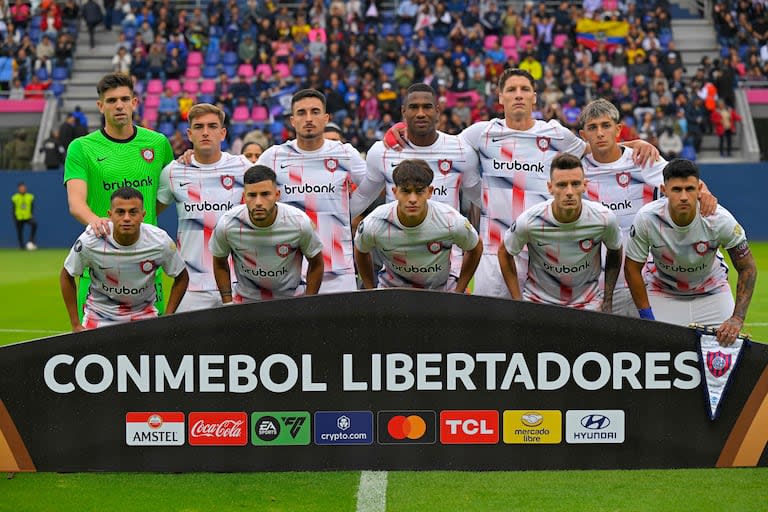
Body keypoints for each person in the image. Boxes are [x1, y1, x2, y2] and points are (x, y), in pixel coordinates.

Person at [384, 69, 657, 299]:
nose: (518, 94)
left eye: (525, 89)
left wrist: (635, 144)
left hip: (543, 250)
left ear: (534, 97)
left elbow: (599, 148)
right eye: (511, 89)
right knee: (493, 326)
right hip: (494, 249)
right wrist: (400, 128)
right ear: (500, 97)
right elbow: (438, 144)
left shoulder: (555, 133)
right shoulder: (481, 133)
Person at [579, 99, 718, 316]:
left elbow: (682, 179)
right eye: (592, 127)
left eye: (606, 126)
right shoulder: (577, 169)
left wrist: (705, 192)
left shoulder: (642, 160)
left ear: (618, 130)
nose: (600, 133)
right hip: (598, 284)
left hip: (645, 281)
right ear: (583, 135)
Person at [64, 72, 174, 318]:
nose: (119, 105)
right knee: (90, 347)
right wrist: (97, 221)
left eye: (125, 99)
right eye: (112, 100)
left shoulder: (158, 143)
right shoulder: (81, 148)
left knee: (153, 349)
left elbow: (166, 195)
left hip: (147, 264)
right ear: (100, 106)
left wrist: (144, 220)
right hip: (100, 262)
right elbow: (76, 202)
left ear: (135, 102)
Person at [625, 159, 757, 346]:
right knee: (654, 349)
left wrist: (737, 318)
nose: (684, 196)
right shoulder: (647, 218)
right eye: (677, 190)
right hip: (662, 290)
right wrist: (647, 317)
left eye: (690, 189)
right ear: (664, 190)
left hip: (712, 291)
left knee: (726, 351)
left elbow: (748, 268)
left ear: (699, 189)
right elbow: (632, 268)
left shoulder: (719, 219)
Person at [257, 89, 366, 293]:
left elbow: (373, 185)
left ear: (325, 118)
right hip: (288, 270)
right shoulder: (273, 156)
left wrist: (350, 209)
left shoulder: (344, 153)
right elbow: (244, 185)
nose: (308, 118)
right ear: (292, 120)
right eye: (301, 113)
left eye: (315, 112)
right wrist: (192, 157)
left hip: (338, 270)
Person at [157, 103, 251, 312]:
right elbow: (151, 215)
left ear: (223, 133)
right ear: (189, 134)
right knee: (187, 345)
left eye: (212, 126)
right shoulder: (173, 172)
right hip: (191, 285)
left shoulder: (243, 167)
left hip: (237, 283)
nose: (206, 132)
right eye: (199, 127)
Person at [498, 153, 623, 310]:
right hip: (538, 303)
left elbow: (615, 250)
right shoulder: (531, 221)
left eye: (575, 184)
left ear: (585, 185)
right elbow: (504, 251)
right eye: (562, 185)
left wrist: (607, 300)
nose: (569, 192)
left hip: (588, 305)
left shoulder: (603, 219)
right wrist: (517, 301)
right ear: (550, 188)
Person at [60, 187, 188, 332]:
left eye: (133, 212)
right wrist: (76, 324)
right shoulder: (91, 240)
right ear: (110, 215)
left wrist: (168, 317)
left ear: (143, 215)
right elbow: (67, 274)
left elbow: (182, 276)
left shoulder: (159, 241)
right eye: (120, 212)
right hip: (98, 319)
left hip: (144, 319)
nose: (126, 218)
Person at [354, 159, 483, 291]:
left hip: (440, 291)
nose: (413, 199)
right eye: (406, 191)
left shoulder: (451, 221)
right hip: (392, 291)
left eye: (419, 191)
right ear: (395, 192)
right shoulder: (376, 221)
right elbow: (360, 250)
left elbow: (475, 247)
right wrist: (370, 291)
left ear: (430, 192)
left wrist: (459, 290)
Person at [210, 165, 324, 303]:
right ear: (244, 197)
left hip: (291, 301)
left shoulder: (299, 222)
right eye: (252, 195)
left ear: (277, 195)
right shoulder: (227, 224)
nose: (258, 202)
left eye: (265, 194)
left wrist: (308, 304)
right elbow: (220, 263)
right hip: (245, 302)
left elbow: (316, 263)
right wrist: (227, 303)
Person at [11, 182, 37, 250]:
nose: (22, 189)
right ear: (18, 189)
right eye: (21, 188)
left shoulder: (30, 196)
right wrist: (14, 217)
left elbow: (32, 206)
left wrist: (31, 214)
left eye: (23, 187)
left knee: (34, 224)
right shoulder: (15, 197)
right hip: (19, 217)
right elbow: (13, 208)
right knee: (19, 232)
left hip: (27, 217)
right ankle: (22, 246)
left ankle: (30, 240)